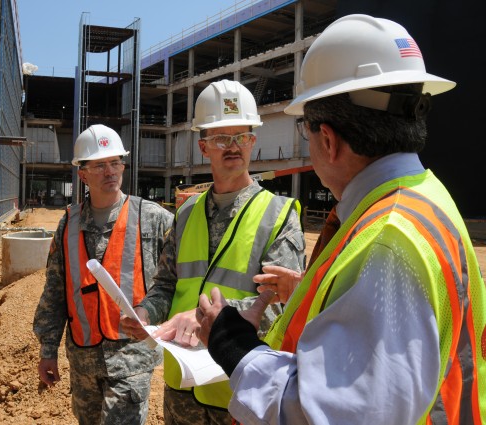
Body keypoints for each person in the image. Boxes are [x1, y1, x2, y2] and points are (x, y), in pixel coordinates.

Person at [195, 14, 486, 425]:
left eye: (305, 131)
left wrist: (232, 345)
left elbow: (329, 415)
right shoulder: (424, 198)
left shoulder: (388, 244)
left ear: (327, 140)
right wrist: (312, 293)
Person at [121, 80, 306, 424]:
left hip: (238, 392)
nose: (233, 147)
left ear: (253, 142)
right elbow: (167, 285)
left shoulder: (279, 215)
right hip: (182, 391)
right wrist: (146, 313)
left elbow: (282, 307)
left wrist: (210, 319)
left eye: (242, 137)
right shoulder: (187, 213)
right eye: (222, 138)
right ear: (204, 147)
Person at [33, 124, 174, 425]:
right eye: (99, 165)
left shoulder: (153, 218)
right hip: (83, 361)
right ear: (82, 174)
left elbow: (177, 280)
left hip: (132, 361)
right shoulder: (68, 224)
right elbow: (55, 292)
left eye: (115, 162)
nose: (110, 171)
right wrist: (48, 350)